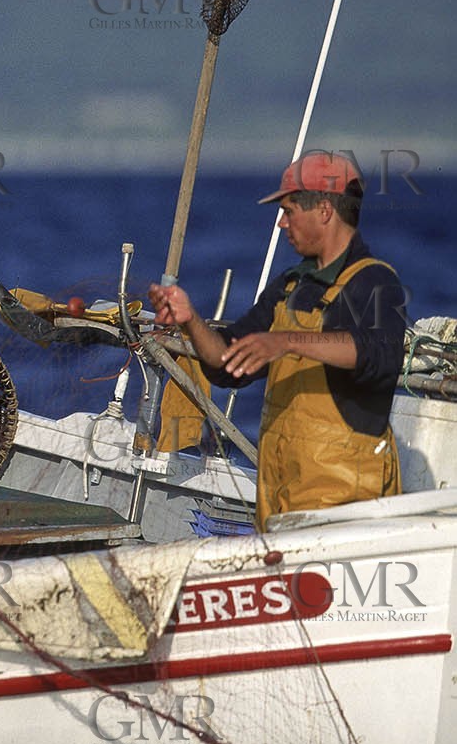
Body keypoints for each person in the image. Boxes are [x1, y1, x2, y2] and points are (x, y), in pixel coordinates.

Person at [148, 151, 406, 527]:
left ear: (323, 210)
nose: (282, 223)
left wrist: (286, 341)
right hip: (280, 503)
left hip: (349, 512)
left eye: (288, 211)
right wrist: (191, 320)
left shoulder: (376, 282)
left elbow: (379, 355)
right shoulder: (290, 285)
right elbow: (225, 365)